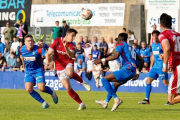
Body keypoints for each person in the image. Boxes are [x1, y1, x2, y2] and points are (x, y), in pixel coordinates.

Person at [94, 33, 144, 111]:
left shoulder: (120, 45)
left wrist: (101, 60)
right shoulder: (131, 48)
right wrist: (138, 73)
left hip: (126, 69)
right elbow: (142, 60)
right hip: (132, 72)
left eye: (117, 39)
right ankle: (106, 102)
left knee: (104, 80)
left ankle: (117, 99)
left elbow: (115, 56)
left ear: (119, 39)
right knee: (115, 85)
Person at [45, 28, 91, 110]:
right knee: (68, 87)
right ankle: (81, 104)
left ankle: (83, 82)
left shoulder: (72, 45)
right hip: (59, 67)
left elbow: (71, 55)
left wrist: (66, 48)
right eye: (72, 36)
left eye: (74, 36)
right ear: (67, 34)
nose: (73, 38)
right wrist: (47, 62)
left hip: (68, 62)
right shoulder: (56, 41)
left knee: (69, 72)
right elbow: (48, 53)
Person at [20, 34, 58, 109]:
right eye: (28, 41)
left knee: (41, 88)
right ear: (25, 42)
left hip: (38, 70)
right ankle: (44, 103)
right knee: (28, 89)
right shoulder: (21, 49)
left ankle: (52, 93)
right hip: (28, 72)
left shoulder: (38, 49)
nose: (30, 42)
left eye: (31, 41)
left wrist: (47, 62)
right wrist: (23, 66)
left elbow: (47, 54)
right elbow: (22, 57)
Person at [138, 30, 169, 105]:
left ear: (159, 36)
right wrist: (151, 66)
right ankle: (146, 99)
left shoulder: (162, 44)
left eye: (156, 35)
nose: (155, 37)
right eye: (153, 36)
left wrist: (165, 59)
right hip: (155, 67)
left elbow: (168, 53)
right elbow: (153, 56)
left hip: (162, 66)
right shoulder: (152, 44)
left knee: (165, 83)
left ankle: (170, 100)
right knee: (148, 80)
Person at [158, 13, 180, 105]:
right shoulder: (178, 34)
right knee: (175, 95)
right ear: (171, 24)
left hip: (178, 67)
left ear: (160, 25)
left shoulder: (163, 34)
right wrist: (167, 56)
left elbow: (167, 48)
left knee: (171, 99)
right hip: (177, 65)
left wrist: (164, 64)